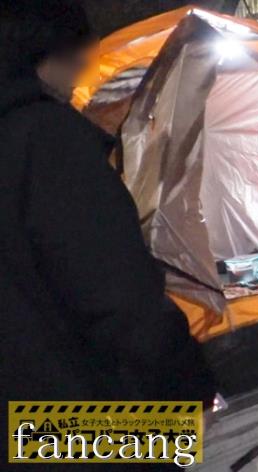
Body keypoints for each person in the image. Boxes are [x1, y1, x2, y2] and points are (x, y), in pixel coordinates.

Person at [0, 0, 216, 445]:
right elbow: (118, 296)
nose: (83, 68)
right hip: (72, 423)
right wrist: (190, 394)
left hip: (20, 429)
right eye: (81, 52)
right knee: (184, 440)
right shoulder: (46, 138)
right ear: (48, 48)